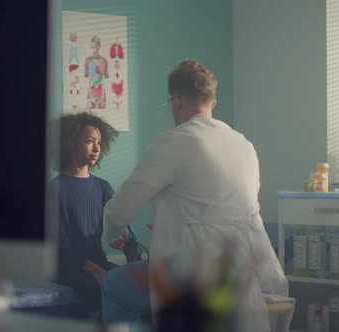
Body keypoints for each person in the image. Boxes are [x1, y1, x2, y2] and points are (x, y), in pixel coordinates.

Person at [102, 60, 288, 331]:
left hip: (190, 276)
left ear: (176, 101)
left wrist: (110, 234)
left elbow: (120, 210)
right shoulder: (244, 145)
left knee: (113, 284)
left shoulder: (174, 142)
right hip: (242, 274)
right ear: (212, 102)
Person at [52, 112, 120, 316]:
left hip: (98, 264)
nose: (97, 148)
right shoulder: (55, 190)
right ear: (71, 143)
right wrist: (95, 270)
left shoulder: (103, 187)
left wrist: (127, 246)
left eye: (99, 142)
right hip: (68, 270)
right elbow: (60, 247)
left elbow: (119, 229)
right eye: (90, 141)